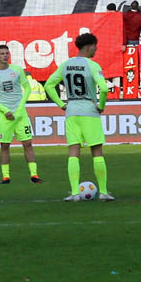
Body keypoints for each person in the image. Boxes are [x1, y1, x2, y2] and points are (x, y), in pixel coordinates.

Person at [46, 32, 113, 202]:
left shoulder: (66, 65)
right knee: (97, 152)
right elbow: (104, 88)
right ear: (89, 46)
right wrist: (101, 106)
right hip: (89, 110)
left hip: (72, 110)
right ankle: (104, 192)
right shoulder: (92, 65)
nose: (96, 49)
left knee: (73, 152)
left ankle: (75, 193)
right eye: (95, 46)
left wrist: (61, 104)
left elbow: (48, 85)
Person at [0, 44, 41, 184]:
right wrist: (5, 111)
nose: (5, 55)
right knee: (4, 146)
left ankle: (34, 175)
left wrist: (20, 108)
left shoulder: (17, 70)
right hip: (5, 116)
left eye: (7, 53)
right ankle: (6, 176)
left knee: (27, 143)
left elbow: (27, 88)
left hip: (20, 114)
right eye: (2, 53)